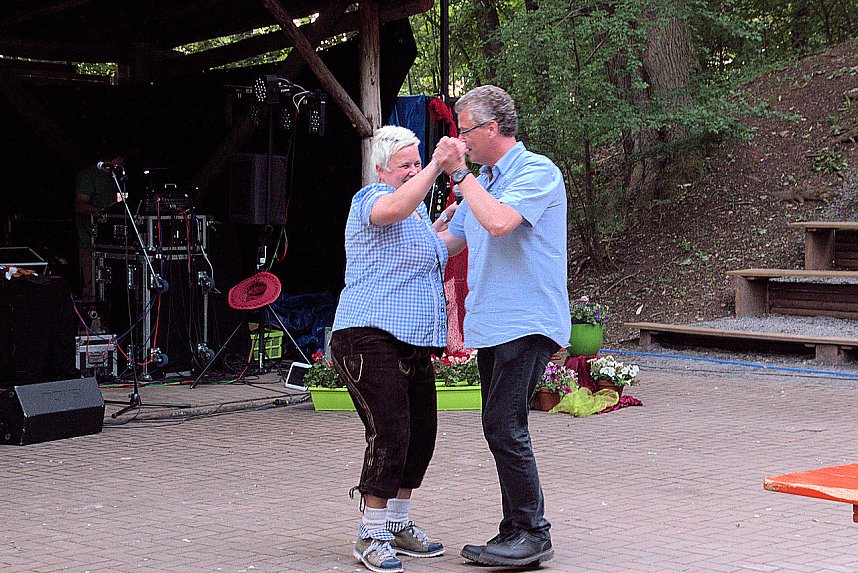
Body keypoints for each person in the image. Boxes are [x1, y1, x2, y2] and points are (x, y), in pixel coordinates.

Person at [436, 85, 571, 567]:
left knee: (504, 424)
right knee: (499, 426)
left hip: (528, 319)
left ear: (492, 128)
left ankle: (533, 533)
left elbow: (498, 223)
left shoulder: (537, 172)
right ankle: (515, 528)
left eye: (464, 129)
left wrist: (460, 177)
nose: (459, 139)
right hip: (492, 323)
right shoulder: (483, 182)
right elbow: (447, 245)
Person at [329, 125, 458, 573]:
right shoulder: (370, 200)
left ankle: (398, 525)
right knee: (391, 431)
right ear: (381, 168)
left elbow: (447, 246)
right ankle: (371, 532)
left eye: (418, 163)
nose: (413, 170)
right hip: (366, 336)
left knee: (422, 434)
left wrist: (477, 210)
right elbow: (394, 210)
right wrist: (440, 165)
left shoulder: (420, 220)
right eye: (404, 164)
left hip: (413, 341)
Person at [74, 149, 126, 299]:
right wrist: (103, 212)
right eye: (121, 159)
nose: (122, 163)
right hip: (89, 241)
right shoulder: (88, 176)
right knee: (91, 288)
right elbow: (79, 205)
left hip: (113, 243)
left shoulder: (115, 178)